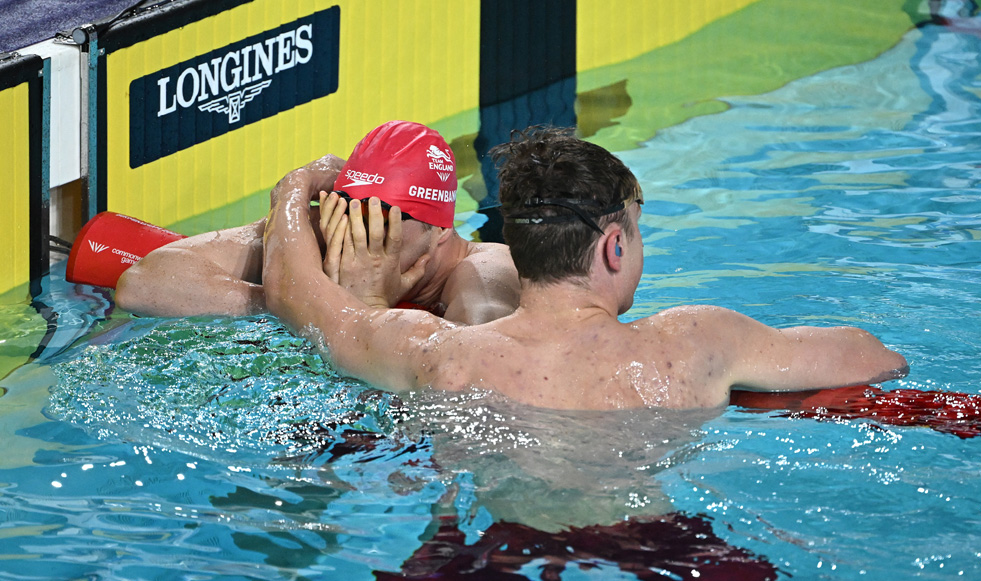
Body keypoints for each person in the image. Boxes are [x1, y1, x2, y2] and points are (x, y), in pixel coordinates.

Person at [262, 126, 908, 411]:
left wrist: (294, 187)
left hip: (492, 548)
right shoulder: (695, 342)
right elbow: (876, 358)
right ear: (613, 247)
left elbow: (295, 293)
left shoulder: (434, 353)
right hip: (655, 540)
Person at [114, 121, 519, 325]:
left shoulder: (483, 277)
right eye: (344, 204)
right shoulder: (328, 228)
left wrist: (342, 306)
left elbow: (464, 395)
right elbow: (142, 285)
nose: (355, 227)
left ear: (441, 228)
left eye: (381, 214)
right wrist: (299, 295)